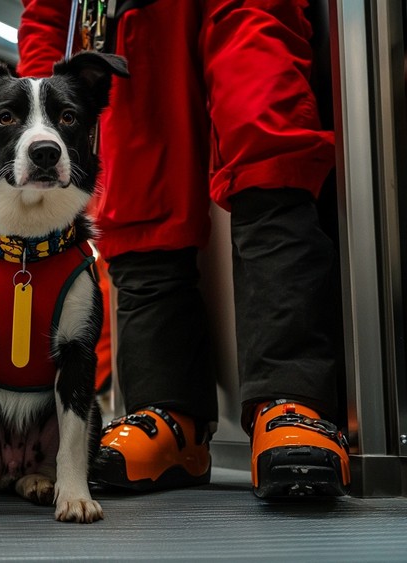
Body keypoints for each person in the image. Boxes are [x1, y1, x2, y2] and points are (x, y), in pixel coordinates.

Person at [18, 0, 351, 497]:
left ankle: (291, 399)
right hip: (129, 16)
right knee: (140, 198)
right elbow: (48, 11)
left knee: (268, 148)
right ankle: (171, 416)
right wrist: (40, 104)